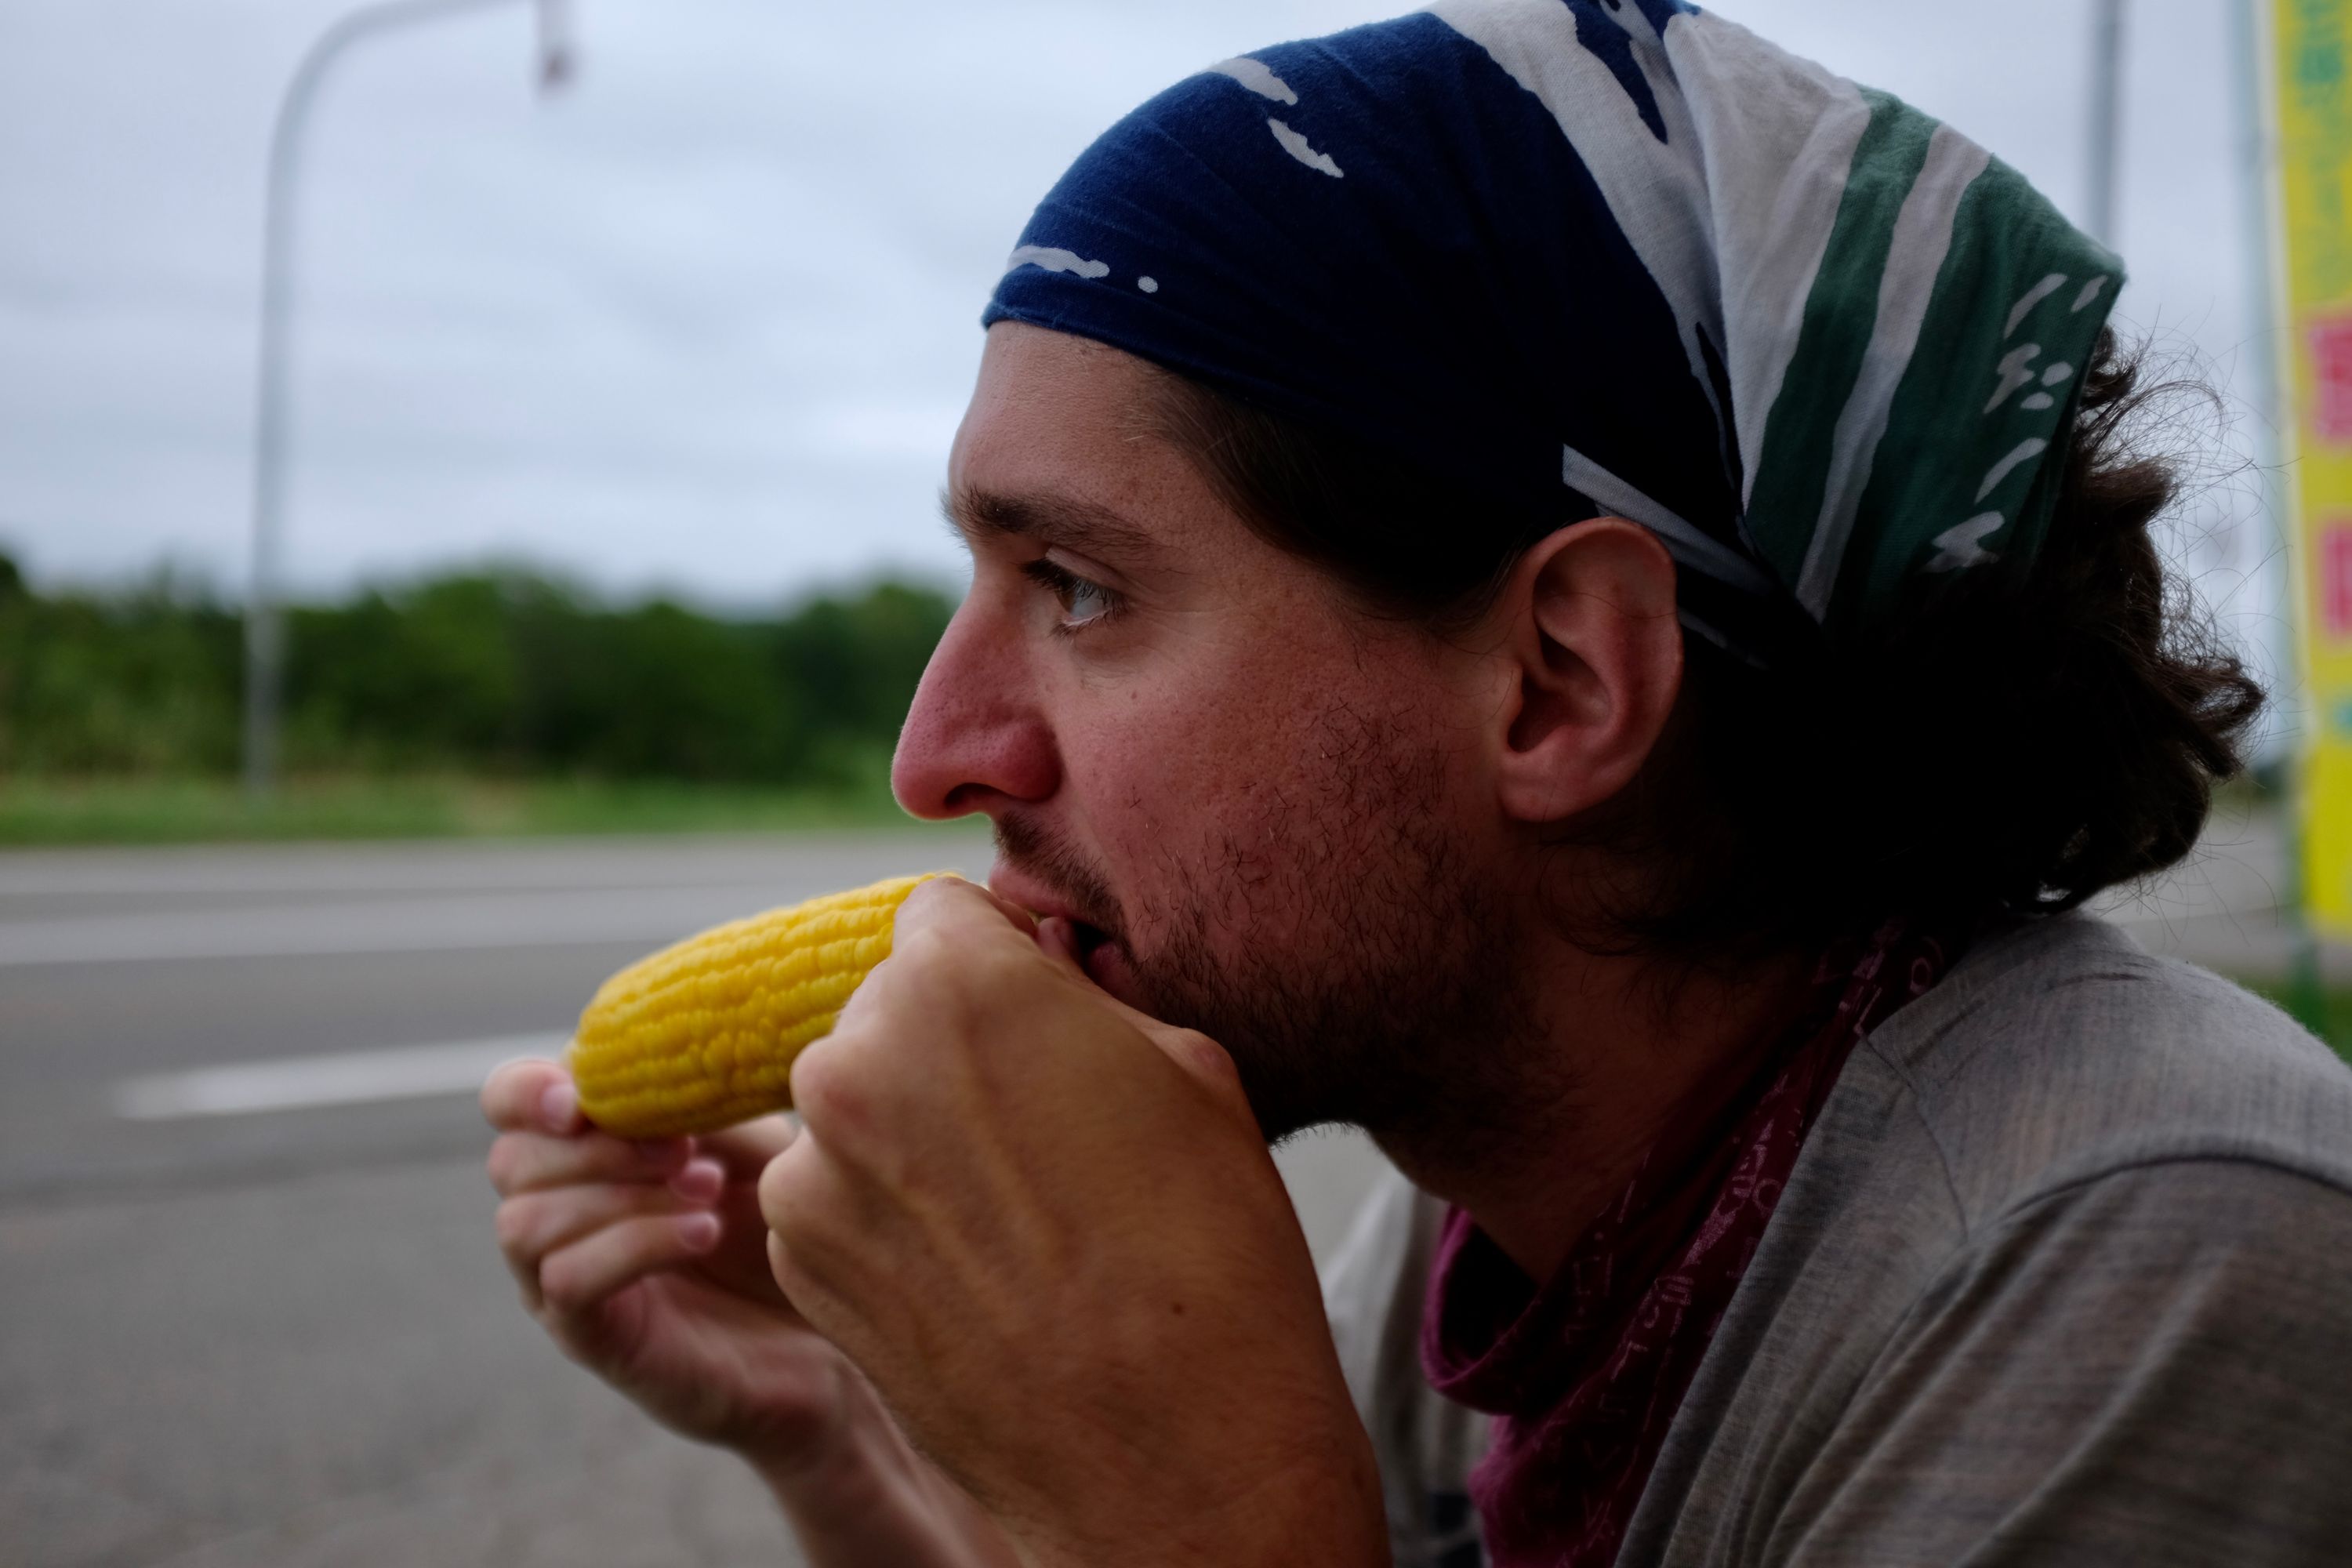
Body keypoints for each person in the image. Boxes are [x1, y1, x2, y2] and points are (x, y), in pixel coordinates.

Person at [481, 3, 2352, 1564]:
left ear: (1557, 683)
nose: (934, 754)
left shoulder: (2146, 1261)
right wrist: (842, 1444)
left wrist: (1206, 1504)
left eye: (1079, 586)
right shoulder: (1499, 1209)